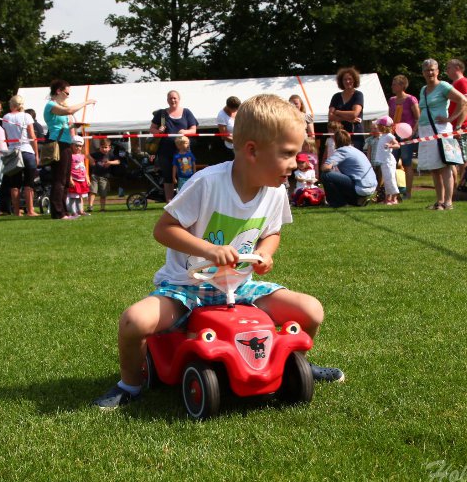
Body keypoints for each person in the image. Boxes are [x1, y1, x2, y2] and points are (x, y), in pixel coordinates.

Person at [91, 93, 345, 410]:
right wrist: (209, 250)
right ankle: (129, 384)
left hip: (240, 287)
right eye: (288, 154)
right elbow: (163, 229)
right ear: (252, 151)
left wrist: (266, 252)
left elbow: (273, 232)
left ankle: (295, 365)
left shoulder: (276, 191)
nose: (296, 163)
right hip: (188, 286)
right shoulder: (207, 183)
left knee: (311, 310)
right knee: (134, 321)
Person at [418, 59, 467, 210]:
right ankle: (439, 201)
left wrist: (451, 119)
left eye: (432, 69)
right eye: (427, 70)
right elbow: (423, 110)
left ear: (438, 71)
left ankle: (448, 201)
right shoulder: (423, 89)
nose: (430, 73)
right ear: (423, 73)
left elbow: (463, 101)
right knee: (434, 167)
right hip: (426, 130)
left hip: (441, 130)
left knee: (445, 166)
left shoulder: (444, 86)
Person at [44, 80, 96, 219]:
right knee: (59, 179)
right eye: (67, 93)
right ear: (58, 91)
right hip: (57, 144)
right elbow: (69, 110)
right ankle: (58, 213)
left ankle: (64, 211)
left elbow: (64, 125)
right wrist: (86, 102)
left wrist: (74, 127)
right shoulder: (51, 105)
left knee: (65, 180)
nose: (68, 96)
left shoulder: (58, 106)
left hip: (65, 143)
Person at [150, 89, 199, 202]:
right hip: (165, 150)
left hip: (184, 152)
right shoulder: (161, 114)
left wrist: (184, 132)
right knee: (168, 176)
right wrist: (158, 131)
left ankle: (187, 200)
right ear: (167, 100)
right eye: (170, 98)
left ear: (179, 99)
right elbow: (152, 129)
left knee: (186, 174)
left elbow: (193, 130)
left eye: (174, 98)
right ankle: (169, 201)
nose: (172, 100)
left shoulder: (187, 112)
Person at [320, 129, 377, 207]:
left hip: (360, 187)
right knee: (339, 178)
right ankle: (356, 200)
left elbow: (325, 167)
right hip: (372, 186)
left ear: (335, 141)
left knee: (326, 175)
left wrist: (331, 165)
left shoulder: (342, 151)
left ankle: (337, 203)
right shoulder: (356, 150)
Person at [3, 94, 39, 216]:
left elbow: (7, 137)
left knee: (14, 184)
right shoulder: (26, 116)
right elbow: (32, 136)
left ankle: (17, 211)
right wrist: (37, 154)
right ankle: (30, 210)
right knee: (29, 183)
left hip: (13, 152)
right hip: (27, 151)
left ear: (12, 105)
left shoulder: (6, 117)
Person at [387, 75, 419, 199]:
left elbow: (417, 118)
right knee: (392, 163)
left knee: (407, 163)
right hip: (395, 136)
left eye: (394, 83)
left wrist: (412, 133)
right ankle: (394, 192)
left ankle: (408, 193)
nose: (392, 86)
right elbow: (390, 118)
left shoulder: (411, 99)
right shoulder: (391, 100)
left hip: (407, 136)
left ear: (401, 85)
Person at [328, 67, 365, 156]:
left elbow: (354, 113)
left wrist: (337, 112)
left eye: (350, 79)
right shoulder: (336, 96)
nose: (347, 81)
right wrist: (348, 119)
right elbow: (330, 116)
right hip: (340, 134)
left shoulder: (358, 95)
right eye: (345, 79)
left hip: (355, 133)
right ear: (341, 81)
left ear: (354, 80)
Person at [89, 137, 119, 213]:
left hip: (104, 177)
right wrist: (91, 159)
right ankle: (90, 206)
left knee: (103, 193)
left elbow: (118, 161)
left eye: (106, 147)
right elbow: (87, 155)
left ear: (109, 147)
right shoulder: (97, 154)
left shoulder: (111, 155)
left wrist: (110, 162)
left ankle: (102, 208)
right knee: (93, 191)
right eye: (102, 147)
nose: (104, 149)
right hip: (95, 175)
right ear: (100, 147)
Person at [67, 137, 91, 218]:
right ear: (72, 145)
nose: (78, 148)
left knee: (80, 197)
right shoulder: (70, 156)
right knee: (73, 197)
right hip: (74, 179)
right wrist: (70, 179)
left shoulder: (82, 156)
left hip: (82, 179)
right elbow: (68, 169)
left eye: (80, 146)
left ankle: (80, 211)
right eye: (76, 145)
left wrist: (87, 178)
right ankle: (73, 212)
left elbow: (84, 168)